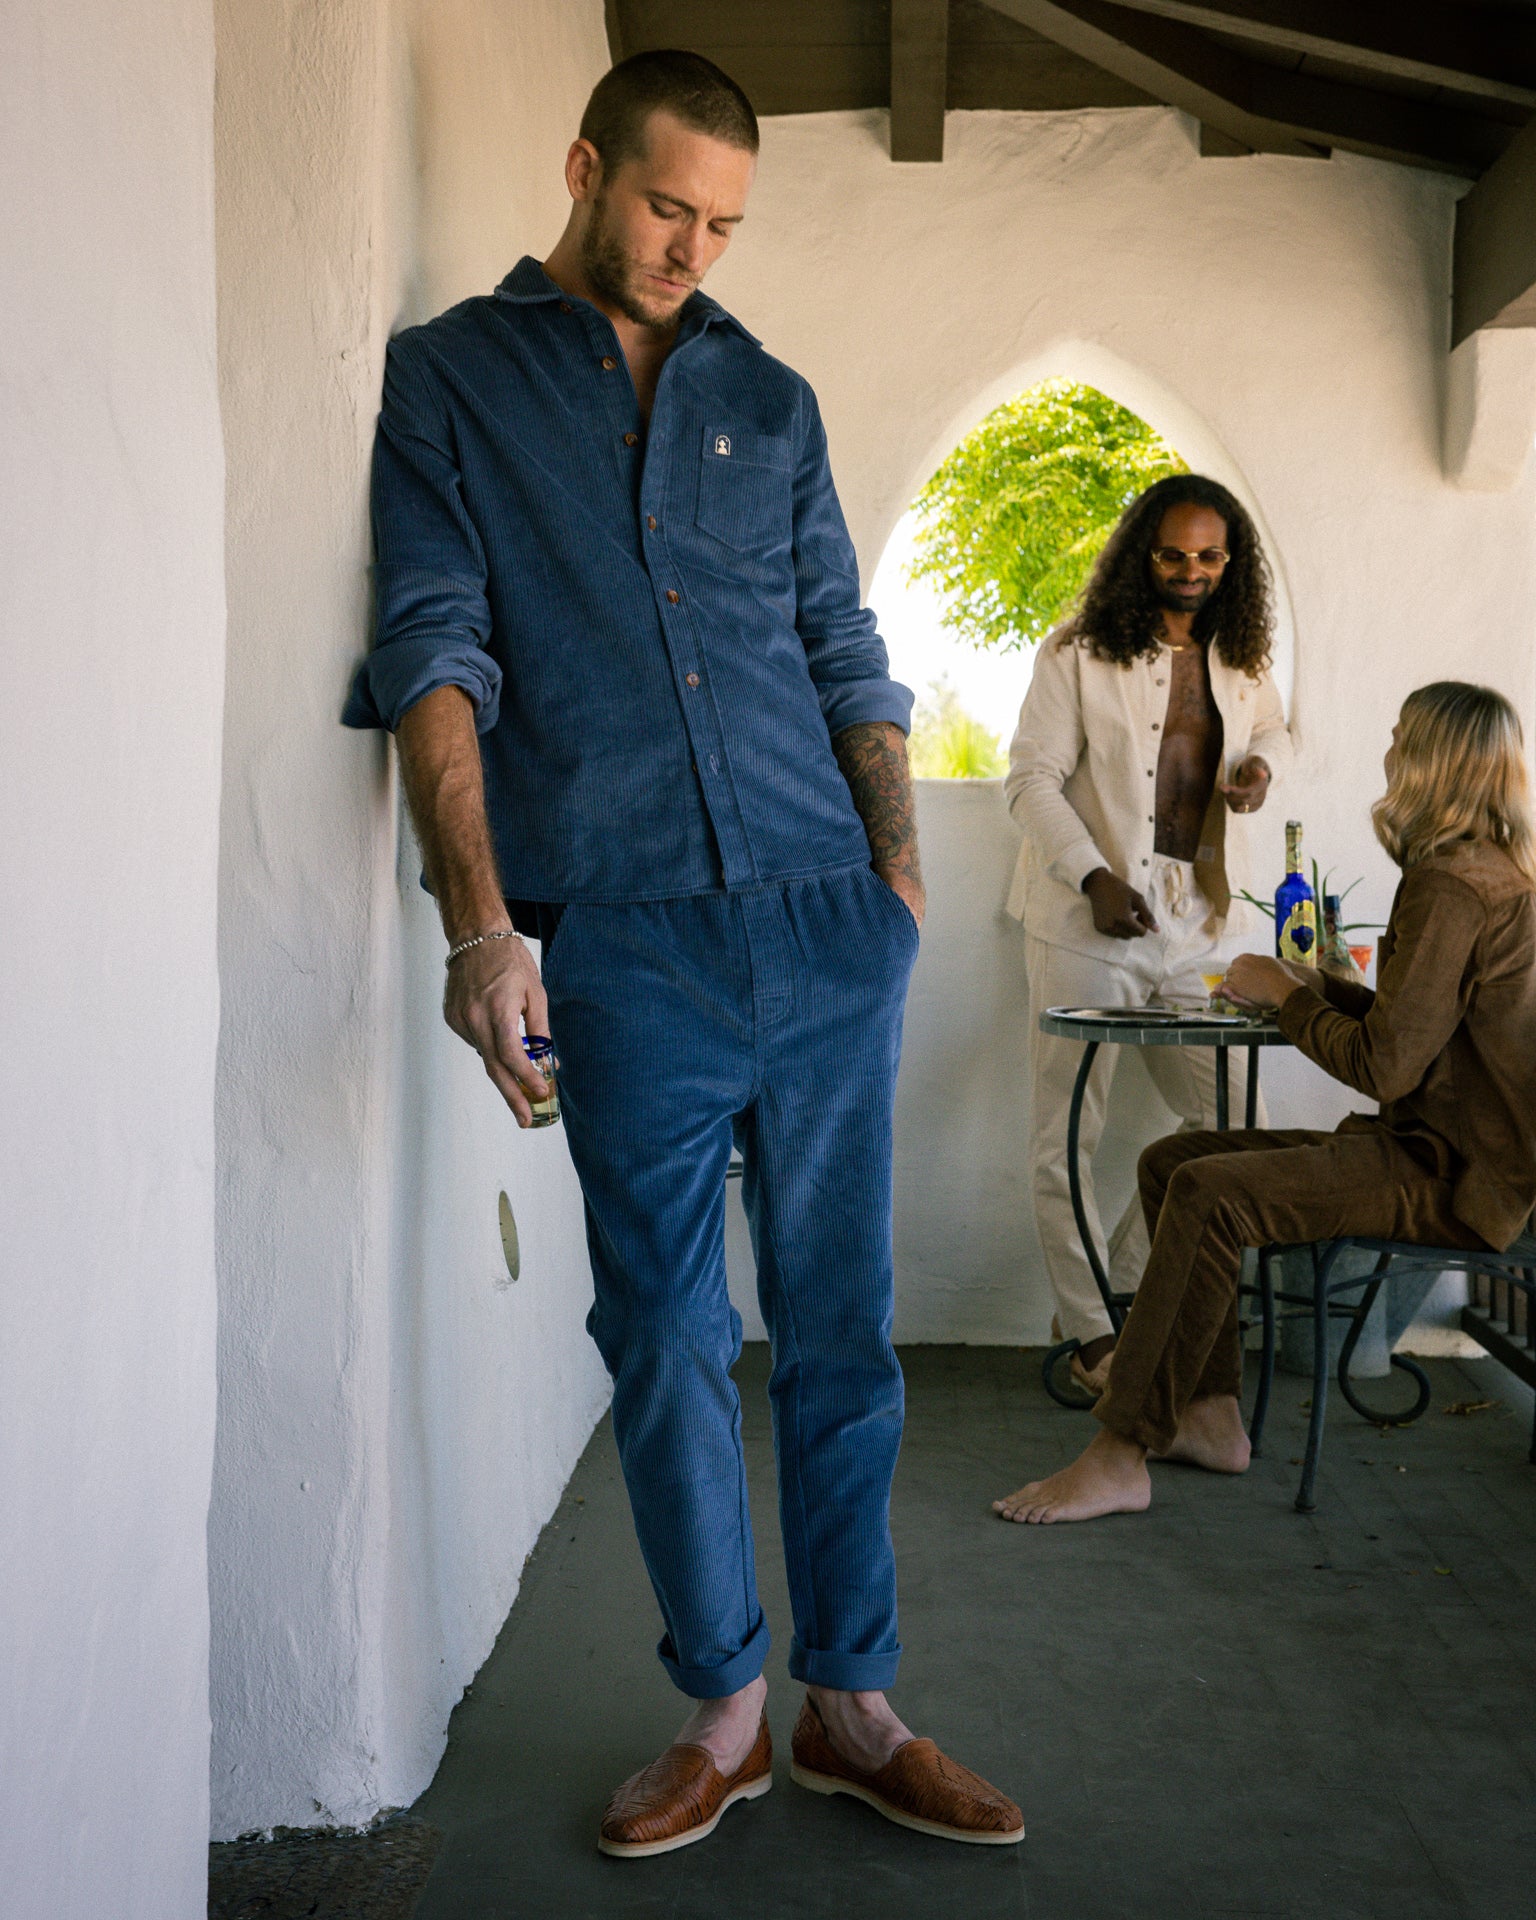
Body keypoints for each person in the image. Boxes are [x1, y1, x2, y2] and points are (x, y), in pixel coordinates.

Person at [343, 50, 1023, 1854]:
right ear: (584, 167)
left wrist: (893, 878)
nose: (691, 250)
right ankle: (723, 1706)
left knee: (841, 1337)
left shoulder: (769, 397)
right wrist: (481, 927)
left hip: (820, 922)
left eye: (723, 223)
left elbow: (835, 635)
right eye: (665, 208)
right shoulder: (451, 382)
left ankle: (853, 1709)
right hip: (618, 940)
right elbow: (433, 650)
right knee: (657, 1333)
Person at [995, 680, 1536, 1524]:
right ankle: (1209, 1416)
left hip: (1452, 1179)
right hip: (1436, 1153)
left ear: (1433, 761)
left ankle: (1118, 1452)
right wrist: (1308, 983)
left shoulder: (1453, 888)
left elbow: (1387, 1067)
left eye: (1401, 739)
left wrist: (1286, 1001)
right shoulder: (1482, 872)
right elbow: (1423, 1036)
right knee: (1174, 1161)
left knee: (1212, 1191)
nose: (1389, 754)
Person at [1005, 475, 1295, 1395]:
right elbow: (1030, 781)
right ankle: (1094, 1339)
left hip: (1200, 922)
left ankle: (1119, 1282)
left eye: (1211, 557)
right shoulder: (1077, 653)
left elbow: (1279, 731)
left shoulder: (1242, 660)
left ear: (1230, 564)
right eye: (1173, 554)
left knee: (1226, 1116)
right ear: (1143, 554)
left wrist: (1257, 768)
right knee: (1066, 1136)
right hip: (1087, 918)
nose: (1192, 572)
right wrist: (1092, 876)